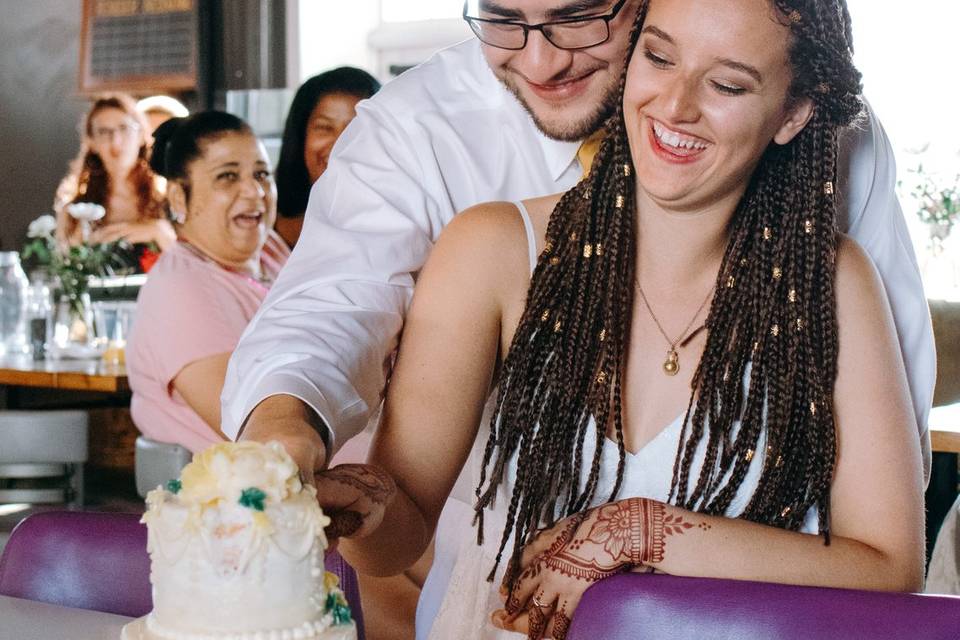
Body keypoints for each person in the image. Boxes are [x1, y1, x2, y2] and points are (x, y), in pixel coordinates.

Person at [333, 1, 925, 638]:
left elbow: (890, 566)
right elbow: (396, 537)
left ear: (793, 113)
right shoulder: (492, 251)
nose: (673, 106)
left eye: (726, 84)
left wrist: (637, 532)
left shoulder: (833, 280)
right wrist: (362, 510)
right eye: (659, 57)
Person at [221, 0, 933, 500]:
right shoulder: (418, 131)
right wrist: (285, 430)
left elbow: (893, 404)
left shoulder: (828, 140)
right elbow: (329, 306)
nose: (540, 60)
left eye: (580, 16)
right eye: (503, 19)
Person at [126, 112, 289, 453]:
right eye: (227, 177)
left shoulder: (270, 250)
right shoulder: (180, 289)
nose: (254, 190)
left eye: (261, 174)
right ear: (178, 198)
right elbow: (252, 424)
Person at [274, 67, 381, 248]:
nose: (338, 144)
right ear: (300, 136)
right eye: (324, 128)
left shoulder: (399, 222)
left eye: (354, 129)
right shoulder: (263, 223)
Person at [55, 94, 175, 254]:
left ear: (140, 136)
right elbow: (62, 268)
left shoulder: (171, 198)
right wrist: (82, 247)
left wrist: (159, 232)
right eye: (104, 132)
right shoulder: (74, 210)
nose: (116, 141)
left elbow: (194, 266)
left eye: (124, 128)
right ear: (91, 142)